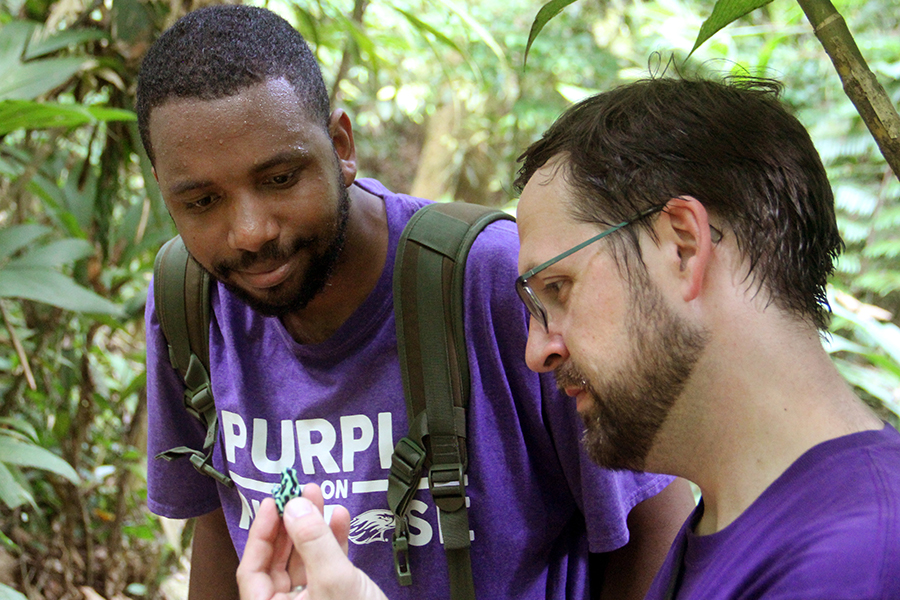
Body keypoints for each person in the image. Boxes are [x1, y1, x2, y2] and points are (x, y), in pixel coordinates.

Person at [136, 6, 693, 600]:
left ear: (341, 146)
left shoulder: (495, 283)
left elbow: (653, 519)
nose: (249, 231)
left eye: (279, 179)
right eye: (202, 202)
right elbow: (222, 525)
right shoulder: (188, 301)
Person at [513, 76, 900, 598]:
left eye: (559, 288)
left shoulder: (853, 562)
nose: (539, 351)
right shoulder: (730, 521)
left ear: (684, 245)